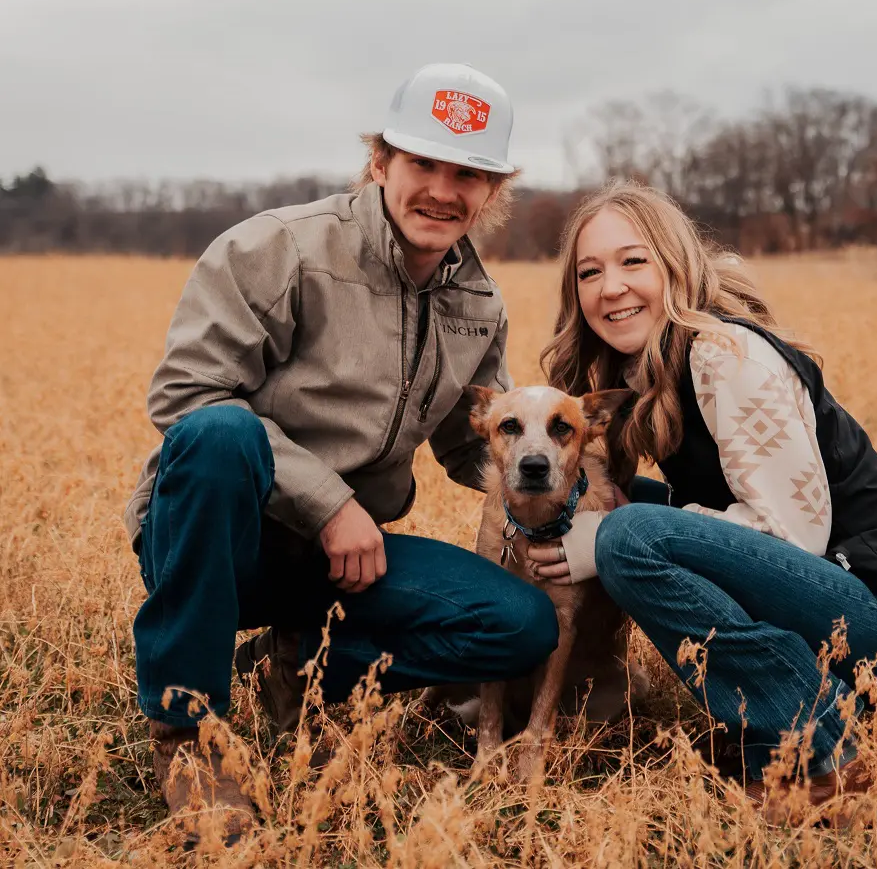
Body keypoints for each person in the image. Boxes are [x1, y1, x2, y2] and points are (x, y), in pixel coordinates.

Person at [124, 63, 559, 839]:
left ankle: (297, 664)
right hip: (225, 537)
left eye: (468, 172)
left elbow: (475, 444)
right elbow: (187, 397)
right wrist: (328, 504)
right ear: (380, 161)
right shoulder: (276, 249)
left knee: (520, 623)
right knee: (219, 434)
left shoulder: (477, 302)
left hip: (346, 565)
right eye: (422, 162)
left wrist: (586, 493)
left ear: (492, 189)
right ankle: (190, 736)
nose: (442, 189)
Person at [528, 181, 877, 811]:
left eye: (633, 261)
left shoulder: (724, 353)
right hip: (840, 610)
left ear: (675, 265)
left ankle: (821, 750)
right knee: (616, 502)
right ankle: (770, 726)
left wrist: (610, 536)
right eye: (589, 271)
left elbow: (795, 535)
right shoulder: (646, 370)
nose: (610, 287)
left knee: (626, 533)